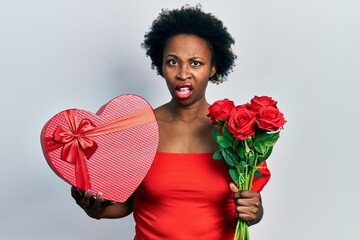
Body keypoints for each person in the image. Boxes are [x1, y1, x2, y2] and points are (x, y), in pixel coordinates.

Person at [71, 5, 270, 239]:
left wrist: (255, 212)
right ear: (161, 65)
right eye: (173, 62)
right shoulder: (140, 127)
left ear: (213, 68)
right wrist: (97, 210)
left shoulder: (237, 131)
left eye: (195, 63)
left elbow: (251, 206)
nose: (182, 73)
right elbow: (128, 204)